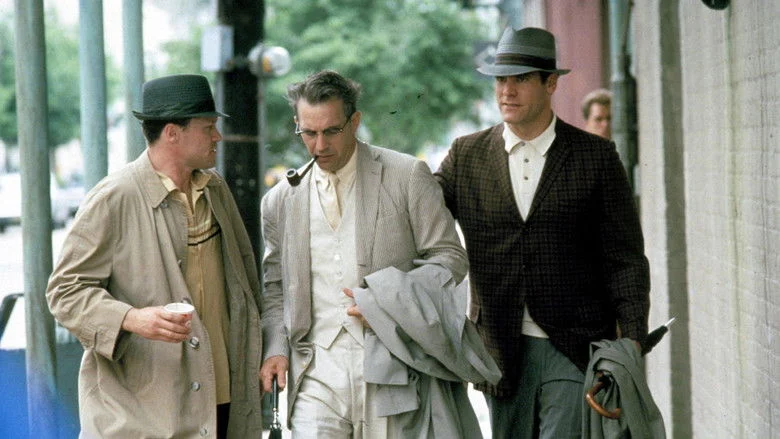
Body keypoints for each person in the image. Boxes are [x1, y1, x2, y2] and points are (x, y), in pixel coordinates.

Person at [434, 27, 650, 438]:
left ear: (550, 83)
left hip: (574, 344)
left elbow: (625, 256)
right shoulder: (466, 155)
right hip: (500, 346)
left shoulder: (596, 157)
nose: (507, 91)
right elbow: (422, 213)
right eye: (501, 79)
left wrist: (634, 335)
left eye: (520, 78)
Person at [259, 70, 497, 438]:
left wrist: (389, 300)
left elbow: (449, 257)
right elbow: (275, 287)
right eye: (308, 132)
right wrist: (275, 349)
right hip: (316, 372)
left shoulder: (407, 175)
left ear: (354, 121)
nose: (319, 145)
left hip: (392, 366)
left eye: (331, 131)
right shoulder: (280, 200)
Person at [46, 74, 264, 438]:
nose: (217, 137)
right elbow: (64, 292)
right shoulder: (114, 197)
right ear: (172, 133)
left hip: (222, 400)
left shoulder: (215, 188)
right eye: (208, 127)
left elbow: (245, 283)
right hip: (145, 414)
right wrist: (131, 318)